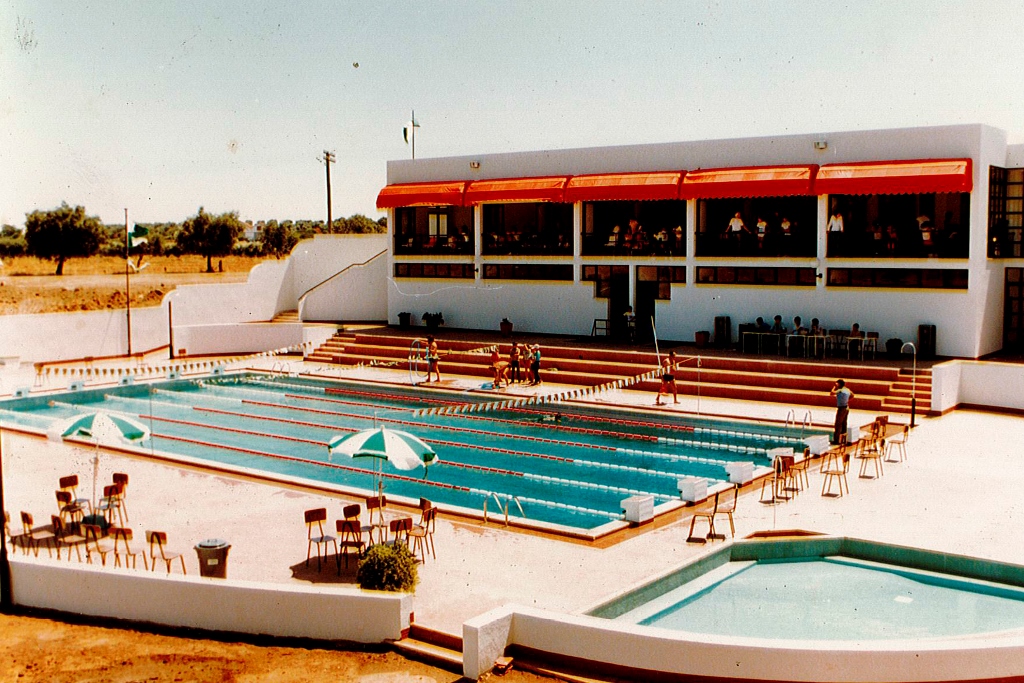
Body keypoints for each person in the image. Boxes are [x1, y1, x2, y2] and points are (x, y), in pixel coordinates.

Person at [831, 379, 854, 445]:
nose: (836, 385)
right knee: (844, 424)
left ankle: (836, 440)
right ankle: (844, 440)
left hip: (841, 409)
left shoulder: (840, 390)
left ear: (840, 384)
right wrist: (846, 400)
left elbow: (831, 393)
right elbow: (852, 395)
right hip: (846, 407)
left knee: (838, 424)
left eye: (837, 384)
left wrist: (834, 387)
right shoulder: (847, 390)